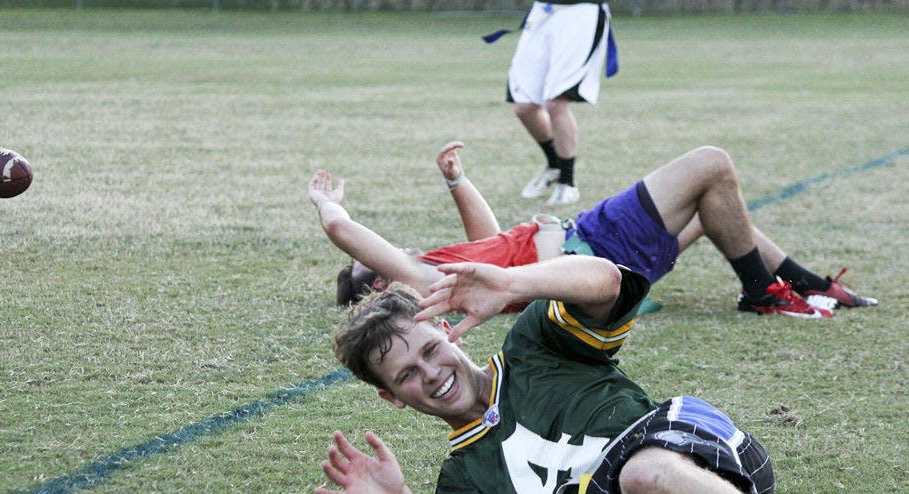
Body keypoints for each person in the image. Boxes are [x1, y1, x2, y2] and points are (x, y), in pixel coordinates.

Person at [314, 257, 869, 494]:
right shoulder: (463, 475)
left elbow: (607, 282)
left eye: (430, 349)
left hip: (694, 462)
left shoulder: (534, 345)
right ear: (393, 399)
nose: (431, 374)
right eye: (407, 376)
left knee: (639, 476)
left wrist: (515, 282)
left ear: (451, 331)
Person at [312, 141, 877, 318]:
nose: (398, 249)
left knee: (716, 209)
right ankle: (762, 294)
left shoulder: (453, 273)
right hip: (592, 248)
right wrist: (327, 206)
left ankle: (808, 286)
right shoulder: (420, 281)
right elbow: (347, 234)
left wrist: (458, 182)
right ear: (382, 285)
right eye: (378, 261)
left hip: (595, 257)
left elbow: (490, 237)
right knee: (711, 164)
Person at [505, 0, 617, 205]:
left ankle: (568, 182)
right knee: (524, 107)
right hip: (544, 10)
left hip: (581, 11)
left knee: (556, 103)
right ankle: (554, 165)